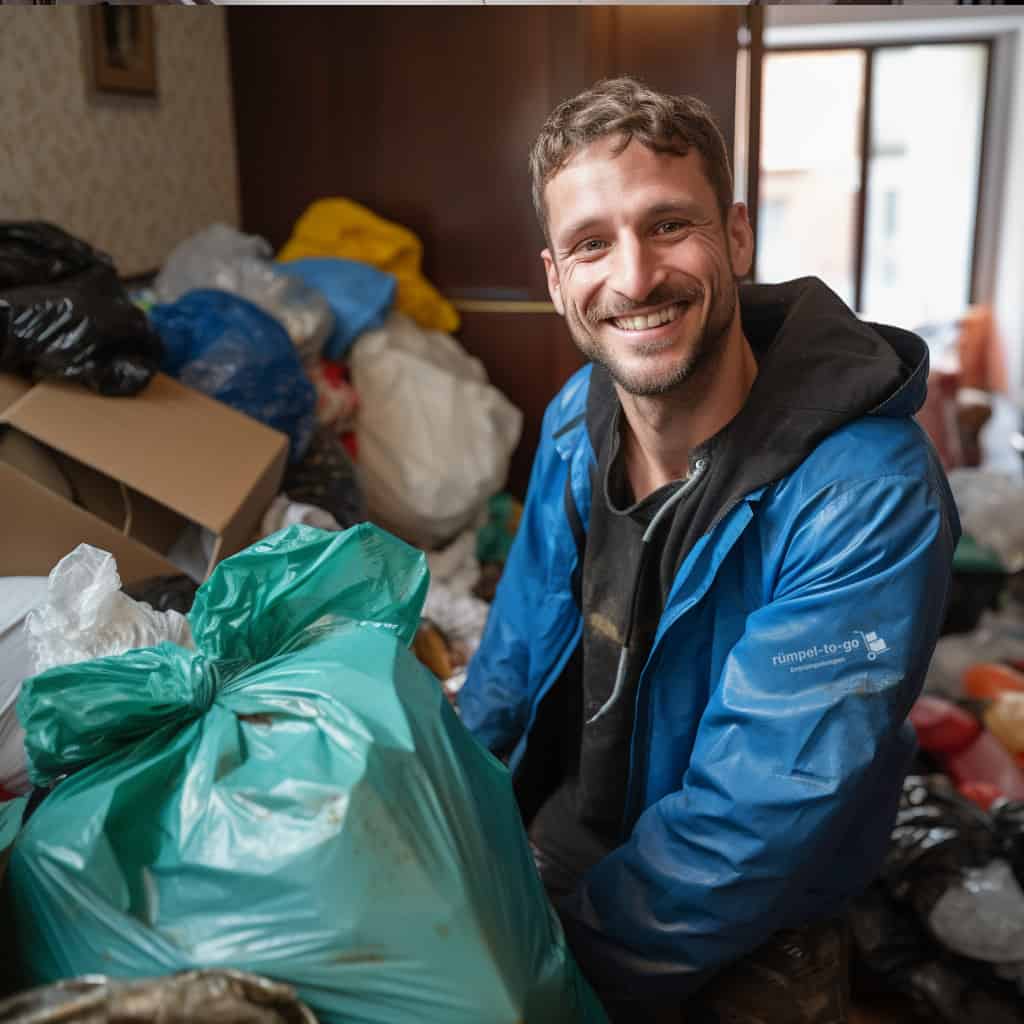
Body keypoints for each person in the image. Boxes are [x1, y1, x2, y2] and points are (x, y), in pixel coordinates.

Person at [457, 77, 960, 1023]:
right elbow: (510, 665)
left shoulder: (865, 494)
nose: (636, 278)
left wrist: (559, 979)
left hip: (750, 907)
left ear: (735, 237)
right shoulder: (577, 418)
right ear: (556, 278)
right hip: (576, 831)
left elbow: (755, 821)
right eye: (591, 244)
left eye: (668, 226)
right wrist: (444, 821)